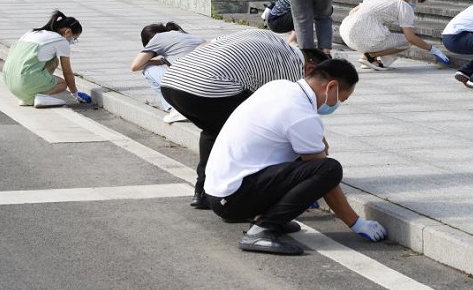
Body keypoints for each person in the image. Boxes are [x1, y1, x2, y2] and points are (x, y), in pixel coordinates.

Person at [204, 58, 386, 255]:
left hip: (220, 192)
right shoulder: (302, 114)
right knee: (329, 169)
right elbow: (324, 175)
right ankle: (262, 229)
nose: (336, 105)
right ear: (331, 87)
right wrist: (356, 222)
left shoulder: (279, 87)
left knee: (311, 161)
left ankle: (267, 217)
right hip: (233, 198)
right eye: (341, 99)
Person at [159, 29, 329, 209]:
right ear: (310, 68)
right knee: (272, 133)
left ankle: (202, 192)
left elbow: (207, 45)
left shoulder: (265, 36)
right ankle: (294, 190)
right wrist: (316, 143)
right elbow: (291, 118)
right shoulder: (293, 68)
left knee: (214, 130)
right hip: (207, 85)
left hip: (172, 80)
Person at [339, 0, 451, 71]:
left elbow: (352, 11)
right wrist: (433, 49)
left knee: (382, 32)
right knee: (405, 42)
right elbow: (410, 37)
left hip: (345, 31)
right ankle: (369, 56)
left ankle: (371, 58)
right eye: (417, 0)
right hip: (360, 38)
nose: (415, 3)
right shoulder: (403, 6)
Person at [3, 10, 91, 108]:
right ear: (68, 32)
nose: (72, 42)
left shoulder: (32, 32)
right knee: (62, 84)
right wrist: (76, 94)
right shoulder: (61, 41)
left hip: (9, 81)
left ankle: (27, 96)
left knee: (54, 61)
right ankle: (40, 96)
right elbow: (67, 72)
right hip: (24, 80)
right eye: (74, 39)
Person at [129, 21, 206, 122]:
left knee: (148, 70)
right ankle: (177, 107)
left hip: (191, 88)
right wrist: (162, 61)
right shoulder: (189, 36)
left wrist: (152, 61)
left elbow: (135, 66)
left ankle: (177, 109)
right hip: (210, 88)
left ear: (149, 41)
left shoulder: (157, 38)